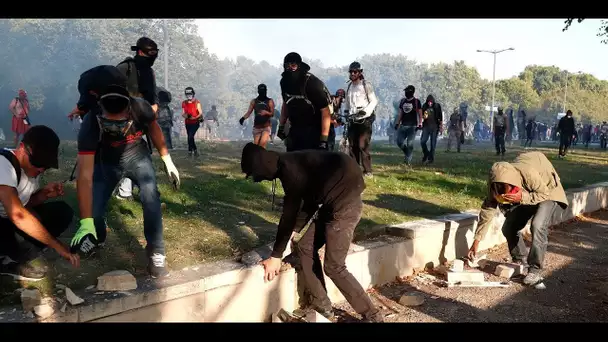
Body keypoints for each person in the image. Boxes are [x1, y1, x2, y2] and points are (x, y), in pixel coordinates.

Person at [240, 142, 383, 322]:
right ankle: (322, 306)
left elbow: (289, 214)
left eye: (256, 174)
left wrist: (276, 256)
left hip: (346, 203)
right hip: (333, 199)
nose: (258, 178)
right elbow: (309, 203)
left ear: (261, 167)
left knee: (334, 267)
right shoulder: (290, 162)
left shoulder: (290, 171)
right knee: (305, 247)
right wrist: (294, 231)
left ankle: (373, 315)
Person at [71, 79, 180, 278]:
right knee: (95, 208)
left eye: (118, 122)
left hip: (137, 156)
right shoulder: (90, 122)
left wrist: (167, 159)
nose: (113, 127)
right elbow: (84, 176)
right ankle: (96, 235)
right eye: (108, 121)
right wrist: (85, 221)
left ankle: (156, 251)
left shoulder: (141, 107)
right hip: (107, 161)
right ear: (100, 110)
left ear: (129, 111)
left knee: (150, 197)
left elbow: (154, 128)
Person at [468, 151, 568, 286]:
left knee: (538, 225)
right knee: (509, 227)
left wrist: (522, 197)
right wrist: (476, 242)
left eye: (509, 194)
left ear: (514, 184)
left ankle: (534, 270)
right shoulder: (494, 184)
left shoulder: (527, 173)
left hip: (548, 192)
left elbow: (544, 194)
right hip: (526, 195)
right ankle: (520, 261)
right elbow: (487, 211)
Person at [0, 126, 80, 280]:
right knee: (12, 242)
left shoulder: (30, 171)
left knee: (61, 212)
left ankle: (16, 250)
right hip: (5, 221)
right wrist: (57, 246)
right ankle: (6, 260)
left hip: (6, 219)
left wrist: (42, 195)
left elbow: (24, 205)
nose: (41, 169)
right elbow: (18, 215)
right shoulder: (3, 165)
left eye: (46, 165)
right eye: (38, 163)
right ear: (22, 148)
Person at [115, 37, 160, 200]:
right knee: (124, 157)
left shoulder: (150, 72)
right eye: (150, 53)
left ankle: (130, 192)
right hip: (123, 121)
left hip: (143, 120)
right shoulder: (124, 68)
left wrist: (154, 106)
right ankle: (123, 191)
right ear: (140, 52)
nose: (153, 56)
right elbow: (111, 93)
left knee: (141, 155)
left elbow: (153, 95)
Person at [277, 52, 332, 152]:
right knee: (292, 163)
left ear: (299, 66)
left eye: (293, 65)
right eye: (287, 66)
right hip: (295, 128)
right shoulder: (284, 82)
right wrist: (281, 126)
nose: (290, 69)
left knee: (314, 163)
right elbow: (286, 104)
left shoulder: (312, 83)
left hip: (315, 128)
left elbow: (325, 111)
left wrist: (323, 139)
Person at [343, 62, 379, 177]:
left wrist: (366, 111)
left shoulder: (366, 85)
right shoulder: (349, 86)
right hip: (353, 119)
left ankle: (368, 171)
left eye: (355, 72)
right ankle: (355, 169)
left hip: (365, 120)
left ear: (360, 72)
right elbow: (348, 104)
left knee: (362, 145)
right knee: (352, 146)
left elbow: (374, 101)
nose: (352, 74)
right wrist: (346, 114)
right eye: (351, 72)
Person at [240, 84, 275, 148]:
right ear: (258, 91)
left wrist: (266, 112)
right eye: (261, 91)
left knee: (262, 144)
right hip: (256, 127)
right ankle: (257, 157)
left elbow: (272, 114)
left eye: (264, 91)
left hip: (266, 127)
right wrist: (243, 118)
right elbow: (249, 112)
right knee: (256, 146)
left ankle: (262, 157)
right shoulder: (254, 101)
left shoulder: (270, 101)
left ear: (266, 91)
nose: (263, 93)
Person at [394, 85, 422, 165]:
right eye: (405, 91)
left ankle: (407, 160)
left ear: (411, 92)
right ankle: (408, 153)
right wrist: (397, 123)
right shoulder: (403, 101)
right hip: (403, 126)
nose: (405, 93)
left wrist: (420, 124)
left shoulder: (417, 102)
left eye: (407, 91)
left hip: (412, 127)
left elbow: (420, 114)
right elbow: (400, 113)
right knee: (399, 142)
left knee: (410, 144)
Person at [420, 95, 443, 164]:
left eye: (431, 102)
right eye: (428, 102)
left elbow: (440, 117)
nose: (430, 103)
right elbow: (422, 116)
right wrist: (424, 117)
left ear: (433, 101)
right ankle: (426, 153)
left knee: (433, 144)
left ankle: (431, 158)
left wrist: (441, 127)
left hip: (435, 127)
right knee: (422, 141)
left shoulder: (437, 106)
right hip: (426, 127)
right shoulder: (424, 106)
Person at [182, 87, 203, 157]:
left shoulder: (197, 102)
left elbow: (200, 113)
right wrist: (186, 116)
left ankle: (190, 151)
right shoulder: (184, 103)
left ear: (193, 94)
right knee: (190, 137)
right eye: (187, 94)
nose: (189, 95)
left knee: (190, 136)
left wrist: (194, 117)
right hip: (187, 123)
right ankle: (195, 151)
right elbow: (183, 113)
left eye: (190, 94)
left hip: (195, 123)